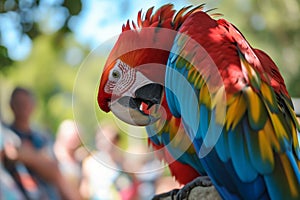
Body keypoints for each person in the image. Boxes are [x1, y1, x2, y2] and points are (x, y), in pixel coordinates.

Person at [4, 86, 81, 200]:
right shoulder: (7, 135)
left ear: (33, 106)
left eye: (26, 103)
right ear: (11, 105)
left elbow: (54, 170)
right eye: (18, 103)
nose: (23, 108)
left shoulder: (42, 137)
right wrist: (38, 158)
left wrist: (26, 155)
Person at [54, 119, 83, 191]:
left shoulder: (80, 160)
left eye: (76, 137)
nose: (74, 140)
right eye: (71, 137)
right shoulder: (52, 156)